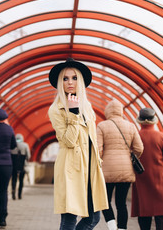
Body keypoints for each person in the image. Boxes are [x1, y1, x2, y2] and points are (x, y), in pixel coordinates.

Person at [47, 58, 108, 230]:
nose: (70, 82)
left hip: (90, 167)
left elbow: (92, 137)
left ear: (80, 80)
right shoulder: (56, 109)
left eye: (74, 78)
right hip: (71, 168)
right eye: (65, 79)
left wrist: (98, 162)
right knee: (69, 218)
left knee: (94, 217)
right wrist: (73, 114)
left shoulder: (87, 106)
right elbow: (68, 141)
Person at [96, 99, 144, 230]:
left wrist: (100, 163)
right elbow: (139, 148)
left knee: (105, 201)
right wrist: (129, 157)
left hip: (107, 170)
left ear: (107, 112)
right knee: (121, 203)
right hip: (126, 169)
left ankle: (112, 227)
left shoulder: (102, 126)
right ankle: (122, 228)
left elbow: (98, 150)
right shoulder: (131, 126)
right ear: (121, 111)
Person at [131, 108, 163, 230]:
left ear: (139, 121)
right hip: (161, 179)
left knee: (144, 211)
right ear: (154, 121)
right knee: (162, 212)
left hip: (141, 178)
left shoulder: (135, 137)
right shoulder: (161, 137)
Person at [11, 133, 31, 200]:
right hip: (22, 165)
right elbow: (28, 156)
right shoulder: (25, 145)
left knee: (14, 179)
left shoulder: (12, 145)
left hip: (14, 166)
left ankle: (13, 190)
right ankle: (19, 194)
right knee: (21, 180)